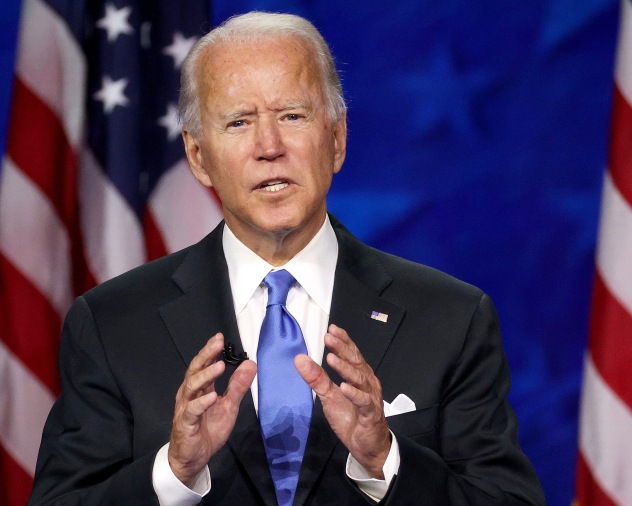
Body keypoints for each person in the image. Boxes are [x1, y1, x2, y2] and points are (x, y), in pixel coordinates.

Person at [28, 11, 545, 506]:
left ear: (337, 139)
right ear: (198, 157)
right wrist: (173, 474)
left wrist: (386, 459)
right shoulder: (114, 324)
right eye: (238, 123)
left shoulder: (450, 319)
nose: (269, 146)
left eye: (292, 115)